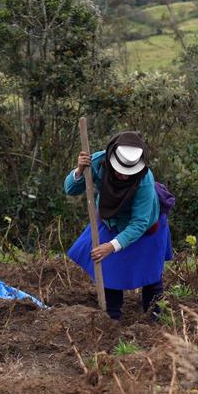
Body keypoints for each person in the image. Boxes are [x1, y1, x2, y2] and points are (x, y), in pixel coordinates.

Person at [65, 132, 173, 321]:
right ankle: (112, 318)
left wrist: (112, 246)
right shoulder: (98, 163)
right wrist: (80, 171)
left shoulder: (144, 179)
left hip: (147, 227)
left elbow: (139, 223)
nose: (123, 175)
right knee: (109, 270)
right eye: (119, 169)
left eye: (128, 171)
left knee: (150, 272)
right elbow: (70, 189)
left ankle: (154, 317)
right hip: (111, 220)